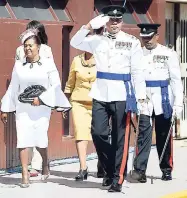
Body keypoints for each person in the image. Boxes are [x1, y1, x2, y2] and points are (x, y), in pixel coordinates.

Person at [70, 5, 146, 192]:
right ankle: (110, 168)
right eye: (111, 20)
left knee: (121, 139)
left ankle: (117, 179)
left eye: (118, 20)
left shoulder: (131, 41)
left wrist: (141, 98)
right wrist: (88, 25)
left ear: (122, 21)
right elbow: (74, 42)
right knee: (98, 133)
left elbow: (137, 71)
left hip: (123, 94)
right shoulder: (97, 40)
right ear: (106, 21)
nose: (115, 23)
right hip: (101, 93)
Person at [1, 29, 71, 188]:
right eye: (25, 46)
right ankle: (25, 174)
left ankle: (45, 162)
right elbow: (13, 88)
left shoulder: (48, 64)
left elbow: (55, 86)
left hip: (41, 108)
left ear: (39, 47)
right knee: (23, 139)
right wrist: (5, 108)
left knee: (40, 139)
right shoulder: (19, 66)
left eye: (31, 46)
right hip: (23, 108)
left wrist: (42, 99)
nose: (27, 49)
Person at [131, 23, 183, 183]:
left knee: (164, 135)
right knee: (143, 135)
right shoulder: (137, 54)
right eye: (144, 37)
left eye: (150, 37)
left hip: (163, 97)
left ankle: (166, 168)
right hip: (144, 97)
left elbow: (175, 80)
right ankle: (140, 170)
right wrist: (137, 100)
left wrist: (178, 104)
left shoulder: (168, 53)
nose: (147, 40)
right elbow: (135, 78)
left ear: (157, 36)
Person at [15, 20, 53, 177]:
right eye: (29, 30)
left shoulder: (46, 50)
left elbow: (51, 73)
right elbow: (17, 72)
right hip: (24, 97)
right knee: (25, 132)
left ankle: (39, 164)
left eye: (35, 31)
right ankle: (27, 167)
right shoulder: (19, 50)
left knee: (39, 132)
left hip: (42, 96)